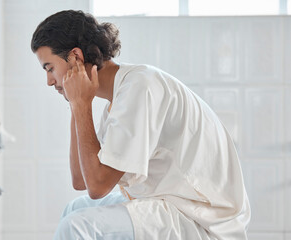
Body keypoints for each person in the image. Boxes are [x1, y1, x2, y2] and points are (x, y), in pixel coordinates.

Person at [31, 10, 250, 240]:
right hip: (172, 205)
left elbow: (97, 187)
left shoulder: (139, 86)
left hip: (202, 220)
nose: (49, 81)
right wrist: (77, 105)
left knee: (77, 226)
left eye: (49, 68)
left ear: (75, 57)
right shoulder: (118, 101)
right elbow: (80, 181)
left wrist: (81, 103)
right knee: (75, 210)